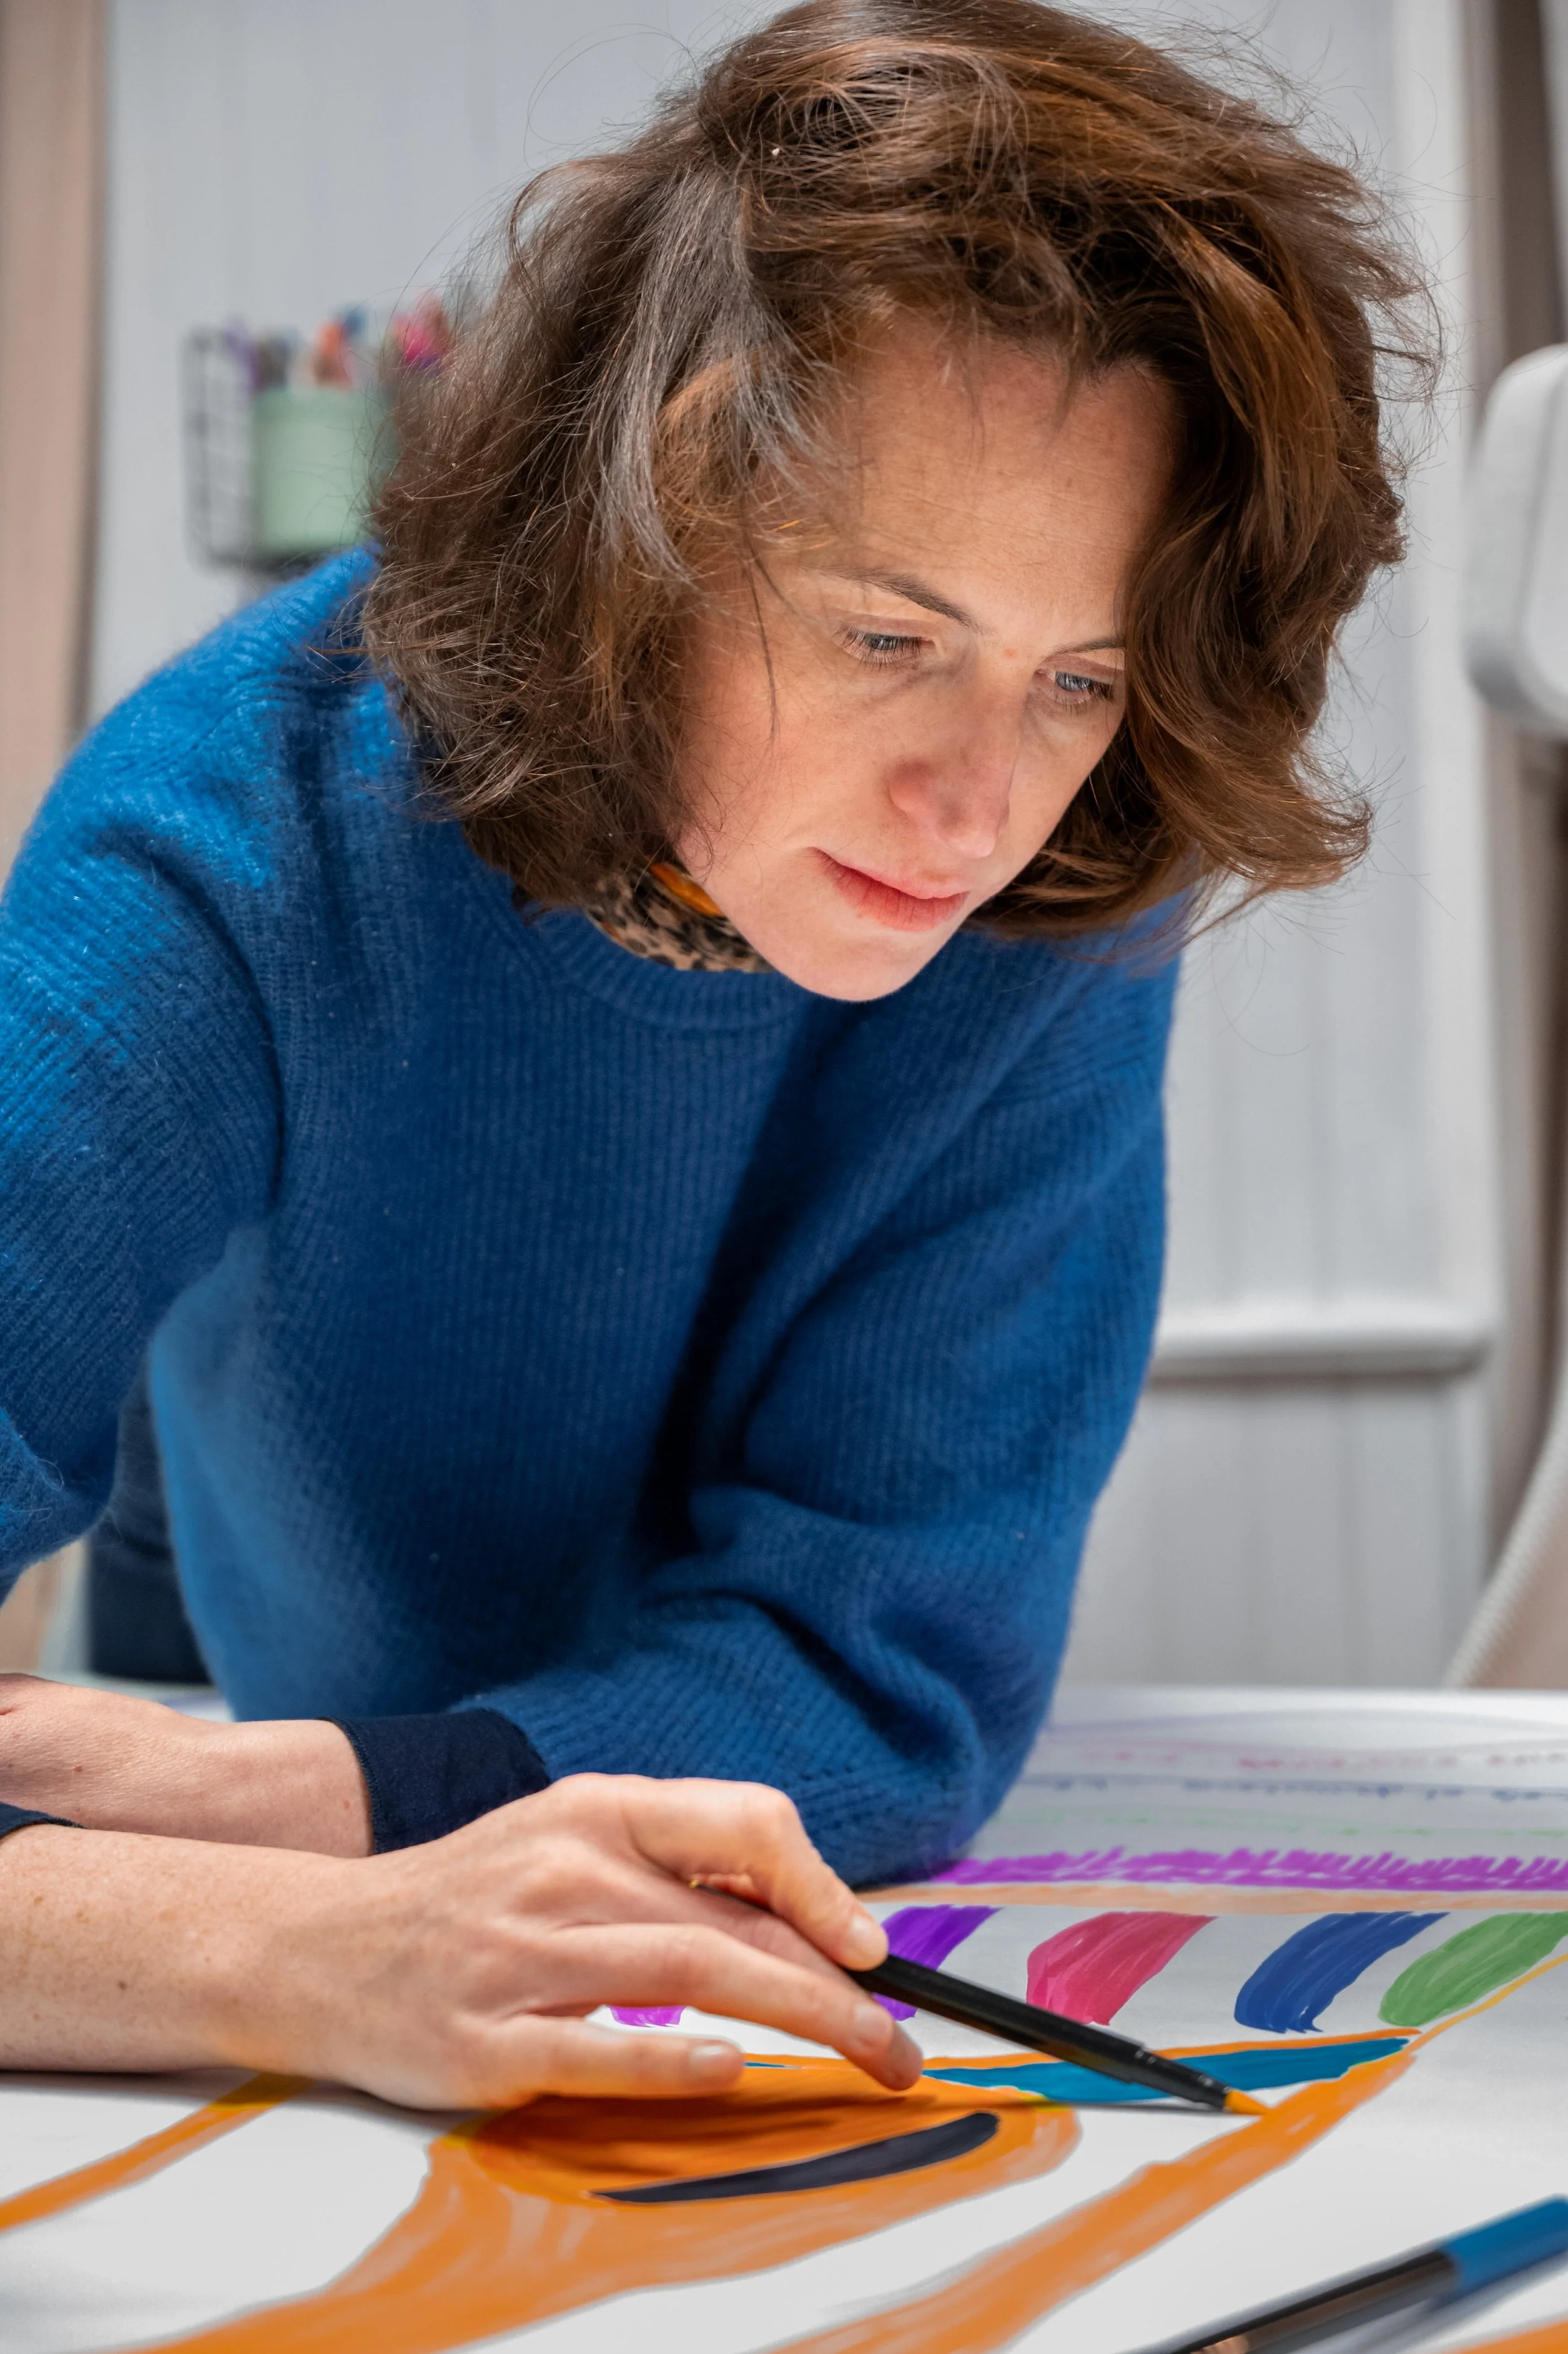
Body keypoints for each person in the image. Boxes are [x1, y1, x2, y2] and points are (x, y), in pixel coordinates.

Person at [0, 0, 1421, 2105]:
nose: (974, 807)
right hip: (245, 1573)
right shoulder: (222, 834)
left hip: (386, 1751)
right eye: (885, 636)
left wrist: (326, 1812)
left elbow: (887, 1673)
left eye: (1077, 675)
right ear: (638, 523)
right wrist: (286, 1951)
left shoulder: (1058, 888)